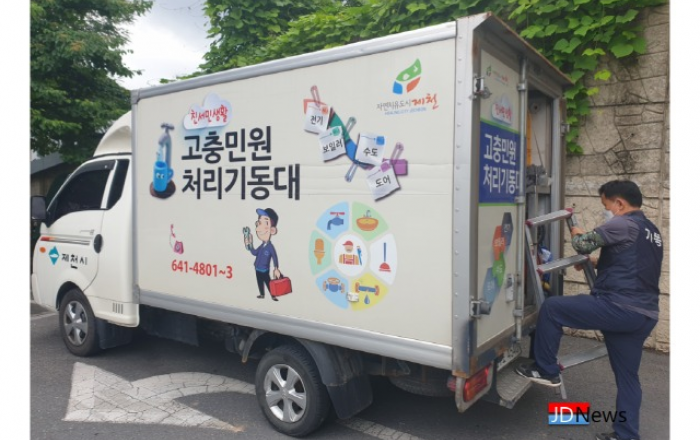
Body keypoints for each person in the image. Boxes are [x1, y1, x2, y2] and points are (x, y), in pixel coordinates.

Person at [515, 180, 663, 440]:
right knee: (628, 379)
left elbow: (583, 244)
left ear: (620, 203)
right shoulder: (652, 231)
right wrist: (597, 262)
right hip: (644, 314)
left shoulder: (622, 223)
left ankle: (546, 370)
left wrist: (576, 232)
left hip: (618, 307)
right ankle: (626, 435)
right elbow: (634, 263)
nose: (607, 211)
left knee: (552, 308)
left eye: (607, 206)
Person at [245, 208, 282, 301]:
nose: (258, 228)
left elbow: (274, 257)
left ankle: (273, 295)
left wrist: (276, 268)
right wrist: (249, 245)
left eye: (264, 223)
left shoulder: (270, 247)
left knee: (268, 282)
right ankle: (262, 294)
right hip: (257, 268)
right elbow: (254, 253)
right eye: (258, 223)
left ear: (272, 230)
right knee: (259, 282)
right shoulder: (261, 246)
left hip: (265, 270)